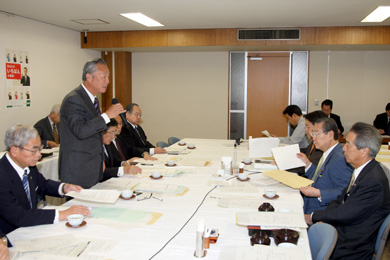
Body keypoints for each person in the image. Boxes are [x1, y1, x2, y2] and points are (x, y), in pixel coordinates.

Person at [305, 122, 390, 260]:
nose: (344, 148)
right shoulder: (363, 171)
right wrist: (322, 217)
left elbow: (345, 214)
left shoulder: (373, 181)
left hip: (350, 247)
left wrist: (312, 217)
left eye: (348, 144)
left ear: (364, 151)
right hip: (343, 231)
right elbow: (339, 199)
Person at [0, 125, 90, 235]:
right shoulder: (2, 175)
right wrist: (61, 214)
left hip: (29, 228)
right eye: (34, 150)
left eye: (40, 148)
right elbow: (19, 216)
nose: (39, 155)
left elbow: (42, 184)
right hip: (10, 236)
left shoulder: (28, 166)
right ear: (14, 150)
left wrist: (65, 187)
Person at [59, 58, 125, 188]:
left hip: (93, 166)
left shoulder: (93, 100)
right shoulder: (73, 99)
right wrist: (106, 116)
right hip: (78, 170)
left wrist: (100, 159)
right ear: (89, 77)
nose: (108, 81)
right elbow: (81, 131)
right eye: (103, 77)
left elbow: (94, 133)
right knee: (79, 207)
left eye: (108, 77)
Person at [297, 117, 353, 214]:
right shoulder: (328, 153)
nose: (313, 138)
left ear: (330, 134)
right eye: (312, 134)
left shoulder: (339, 159)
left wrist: (318, 193)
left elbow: (345, 192)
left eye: (316, 134)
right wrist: (308, 165)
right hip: (310, 205)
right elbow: (323, 176)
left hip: (321, 212)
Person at [288, 110, 327, 175]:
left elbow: (306, 166)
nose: (305, 129)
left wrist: (284, 166)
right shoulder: (314, 142)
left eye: (308, 127)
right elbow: (305, 152)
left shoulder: (321, 147)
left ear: (317, 126)